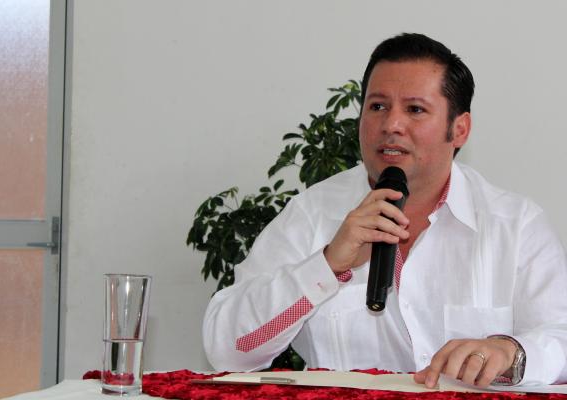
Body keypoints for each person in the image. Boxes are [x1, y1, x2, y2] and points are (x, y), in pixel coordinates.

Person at [202, 33, 567, 388]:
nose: (391, 125)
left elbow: (561, 338)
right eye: (377, 107)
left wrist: (513, 353)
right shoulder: (311, 214)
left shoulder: (515, 225)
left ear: (459, 129)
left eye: (415, 110)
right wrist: (327, 266)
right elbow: (228, 350)